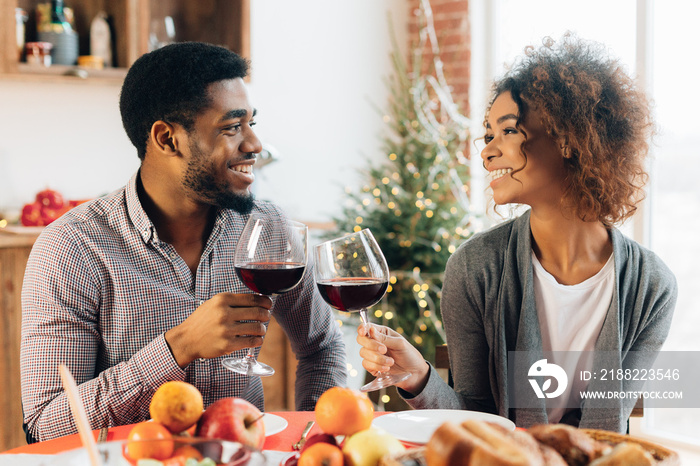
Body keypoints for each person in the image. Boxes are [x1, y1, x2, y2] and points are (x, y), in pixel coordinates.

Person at [21, 42, 347, 443]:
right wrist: (177, 348)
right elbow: (46, 422)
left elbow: (322, 346)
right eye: (231, 127)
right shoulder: (72, 249)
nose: (254, 145)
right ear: (166, 138)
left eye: (251, 124)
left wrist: (315, 438)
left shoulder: (270, 229)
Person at [357, 34, 676, 433]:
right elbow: (473, 417)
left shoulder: (651, 287)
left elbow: (604, 430)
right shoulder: (474, 269)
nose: (487, 151)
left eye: (507, 131)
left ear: (568, 138)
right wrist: (418, 376)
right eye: (488, 134)